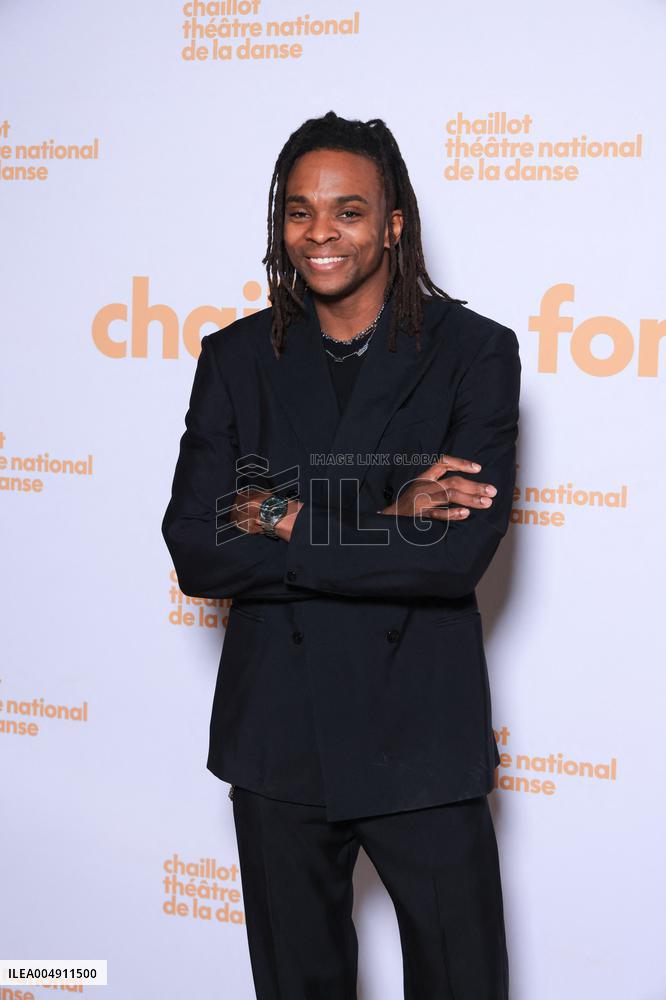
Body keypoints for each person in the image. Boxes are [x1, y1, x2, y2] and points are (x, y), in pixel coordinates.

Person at [162, 110, 521, 999]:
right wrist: (389, 511)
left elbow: (450, 560)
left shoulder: (475, 353)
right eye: (298, 211)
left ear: (393, 222)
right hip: (277, 743)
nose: (319, 233)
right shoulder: (236, 357)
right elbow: (198, 548)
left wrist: (281, 515)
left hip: (420, 742)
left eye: (348, 210)